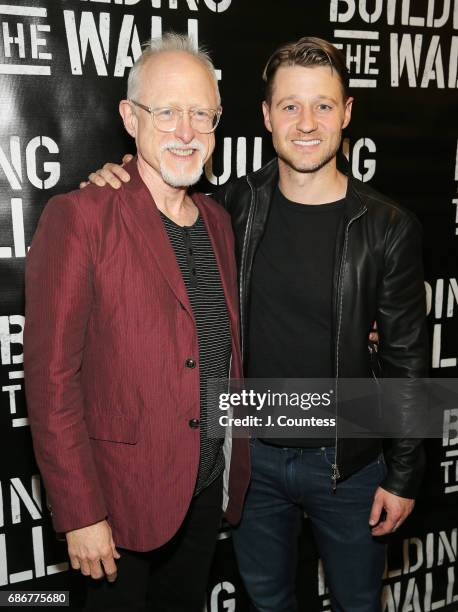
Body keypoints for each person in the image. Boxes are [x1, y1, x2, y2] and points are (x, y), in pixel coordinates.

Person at [85, 36, 428, 612]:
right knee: (266, 602)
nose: (307, 122)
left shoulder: (389, 227)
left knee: (358, 604)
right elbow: (157, 201)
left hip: (349, 463)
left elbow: (409, 361)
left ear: (346, 114)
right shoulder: (231, 208)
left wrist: (405, 473)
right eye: (290, 105)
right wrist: (117, 176)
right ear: (266, 116)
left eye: (323, 105)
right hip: (253, 459)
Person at [24, 33, 249, 611]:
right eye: (167, 111)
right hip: (116, 506)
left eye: (202, 114)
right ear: (130, 117)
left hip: (202, 494)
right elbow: (51, 381)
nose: (184, 131)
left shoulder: (220, 222)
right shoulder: (80, 217)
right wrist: (81, 513)